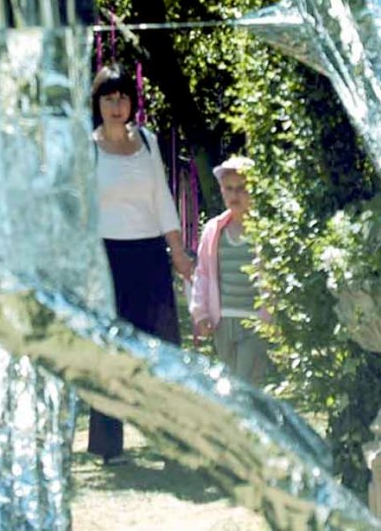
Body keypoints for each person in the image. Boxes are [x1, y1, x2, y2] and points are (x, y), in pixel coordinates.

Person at [87, 63, 195, 465]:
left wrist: (179, 252)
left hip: (150, 255)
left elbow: (162, 200)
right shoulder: (87, 148)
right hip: (106, 259)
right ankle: (108, 445)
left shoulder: (147, 141)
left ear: (132, 102)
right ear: (97, 103)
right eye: (109, 99)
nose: (117, 106)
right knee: (112, 352)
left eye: (123, 98)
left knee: (163, 352)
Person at [189, 155, 272, 387]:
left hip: (254, 320)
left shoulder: (264, 232)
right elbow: (203, 274)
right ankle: (249, 422)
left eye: (242, 188)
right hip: (222, 320)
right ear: (222, 191)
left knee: (241, 381)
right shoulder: (215, 230)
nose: (235, 195)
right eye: (229, 189)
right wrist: (201, 313)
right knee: (237, 382)